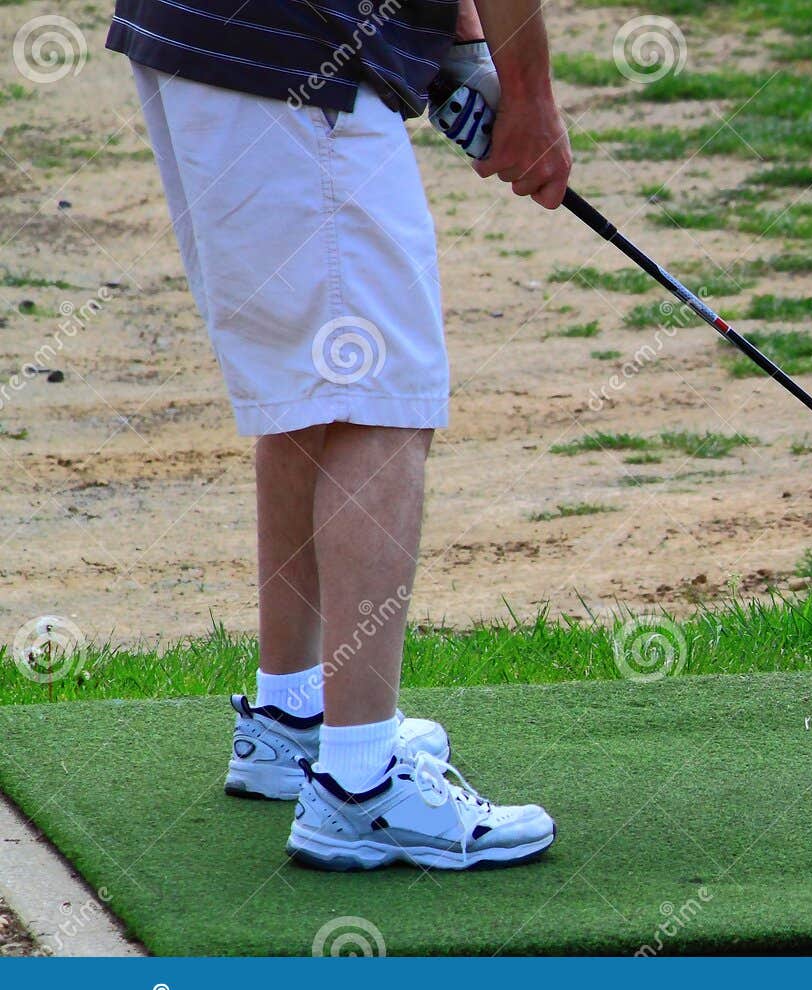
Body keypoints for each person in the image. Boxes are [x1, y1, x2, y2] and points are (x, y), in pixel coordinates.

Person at [106, 0, 572, 870]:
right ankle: (361, 784)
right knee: (379, 398)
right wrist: (532, 100)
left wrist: (463, 44)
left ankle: (295, 718)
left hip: (200, 34)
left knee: (315, 384)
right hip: (297, 50)